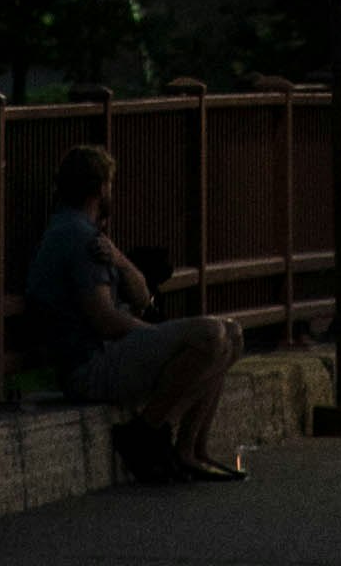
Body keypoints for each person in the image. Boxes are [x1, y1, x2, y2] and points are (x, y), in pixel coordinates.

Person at [17, 146, 245, 473]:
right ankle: (146, 431)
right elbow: (105, 319)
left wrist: (120, 258)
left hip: (108, 354)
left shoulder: (90, 235)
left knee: (232, 333)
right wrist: (158, 336)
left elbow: (142, 296)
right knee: (210, 336)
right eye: (110, 185)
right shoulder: (77, 237)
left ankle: (190, 449)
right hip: (92, 366)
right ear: (100, 189)